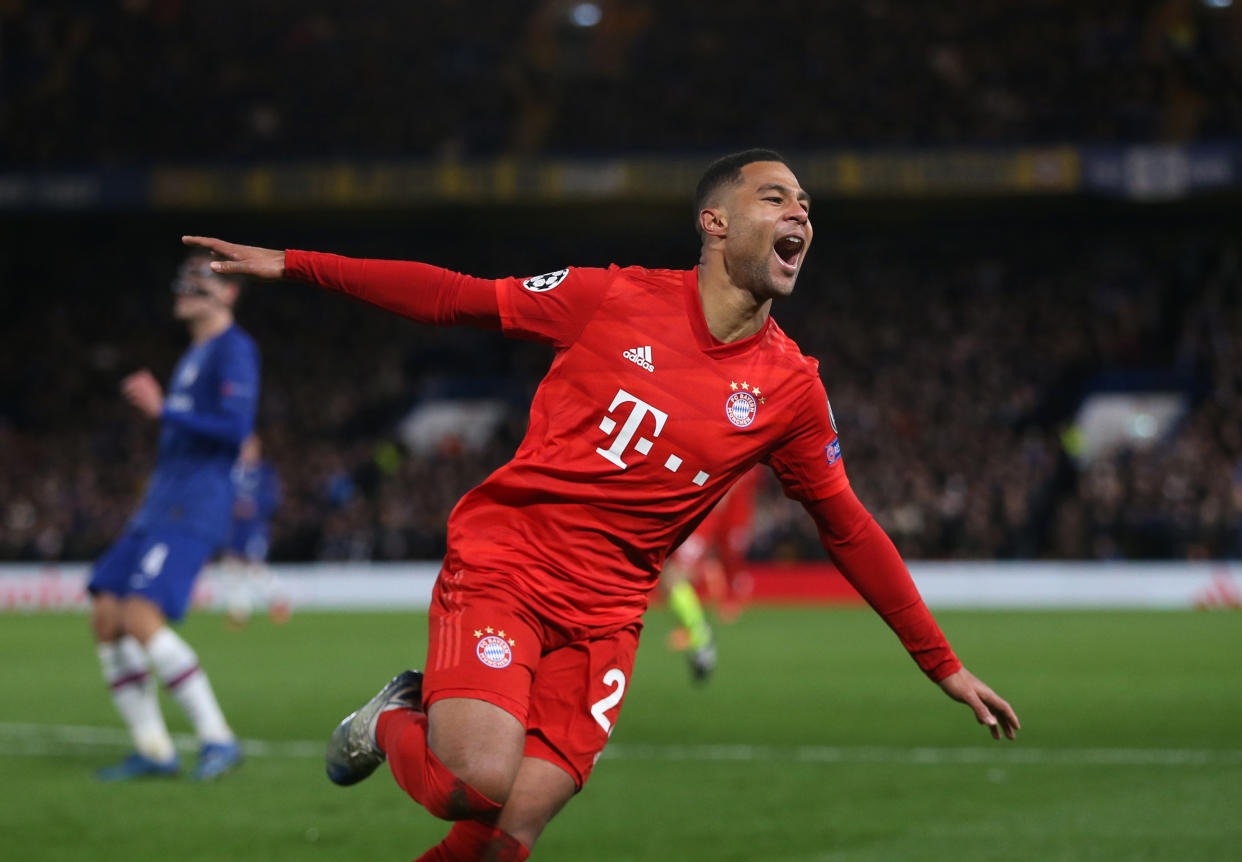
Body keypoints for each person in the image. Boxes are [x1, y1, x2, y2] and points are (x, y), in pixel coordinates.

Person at [184, 148, 1019, 860]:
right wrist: (297, 263)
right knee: (473, 786)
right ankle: (394, 715)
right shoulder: (609, 299)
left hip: (608, 615)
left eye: (806, 203)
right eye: (775, 196)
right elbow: (455, 296)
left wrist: (940, 662)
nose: (799, 210)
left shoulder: (792, 389)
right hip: (508, 566)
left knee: (505, 836)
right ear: (715, 223)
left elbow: (847, 524)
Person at [88, 250, 260, 781]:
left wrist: (166, 411)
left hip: (194, 505)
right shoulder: (194, 355)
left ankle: (218, 739)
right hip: (158, 505)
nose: (184, 289)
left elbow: (234, 431)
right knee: (107, 616)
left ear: (228, 293)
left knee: (140, 617)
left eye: (199, 282)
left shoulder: (234, 350)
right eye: (182, 280)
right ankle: (155, 749)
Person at [661, 464, 762, 681]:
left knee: (673, 577)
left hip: (703, 512)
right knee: (672, 577)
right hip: (697, 509)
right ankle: (696, 632)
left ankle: (700, 636)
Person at [220, 433, 288, 628]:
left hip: (254, 527)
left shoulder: (264, 472)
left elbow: (273, 499)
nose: (245, 452)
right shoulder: (232, 471)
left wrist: (253, 507)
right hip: (234, 527)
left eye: (249, 448)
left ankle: (278, 599)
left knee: (254, 566)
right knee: (231, 566)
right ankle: (239, 613)